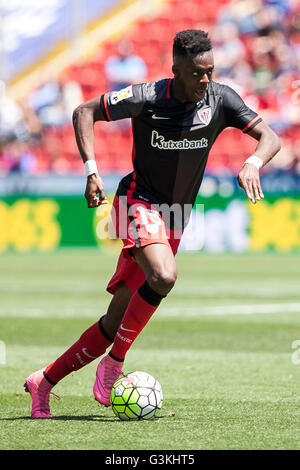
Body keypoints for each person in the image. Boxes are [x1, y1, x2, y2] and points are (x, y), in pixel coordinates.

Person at [24, 29, 281, 418]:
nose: (205, 80)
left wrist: (253, 162)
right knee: (163, 276)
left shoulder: (220, 99)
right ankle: (114, 367)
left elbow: (269, 137)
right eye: (197, 73)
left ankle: (42, 382)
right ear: (175, 69)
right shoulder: (146, 97)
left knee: (115, 321)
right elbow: (85, 112)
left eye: (210, 71)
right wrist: (92, 172)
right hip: (136, 203)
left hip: (174, 220)